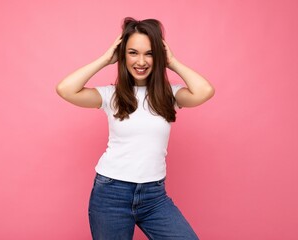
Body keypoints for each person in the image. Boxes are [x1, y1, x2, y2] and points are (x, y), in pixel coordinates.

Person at [56, 17, 214, 240]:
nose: (141, 61)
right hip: (111, 194)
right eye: (132, 52)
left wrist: (173, 62)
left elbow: (204, 91)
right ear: (122, 55)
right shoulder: (111, 95)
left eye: (149, 53)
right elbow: (65, 89)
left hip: (154, 196)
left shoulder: (169, 95)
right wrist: (105, 59)